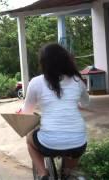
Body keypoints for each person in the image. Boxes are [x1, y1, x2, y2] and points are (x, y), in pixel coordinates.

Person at [21, 43, 89, 180]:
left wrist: (21, 112)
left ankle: (42, 174)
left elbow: (26, 112)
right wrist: (76, 103)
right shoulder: (78, 80)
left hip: (48, 143)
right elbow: (85, 103)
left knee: (29, 140)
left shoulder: (36, 82)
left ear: (44, 63)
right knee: (73, 157)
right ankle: (68, 174)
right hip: (79, 142)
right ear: (66, 60)